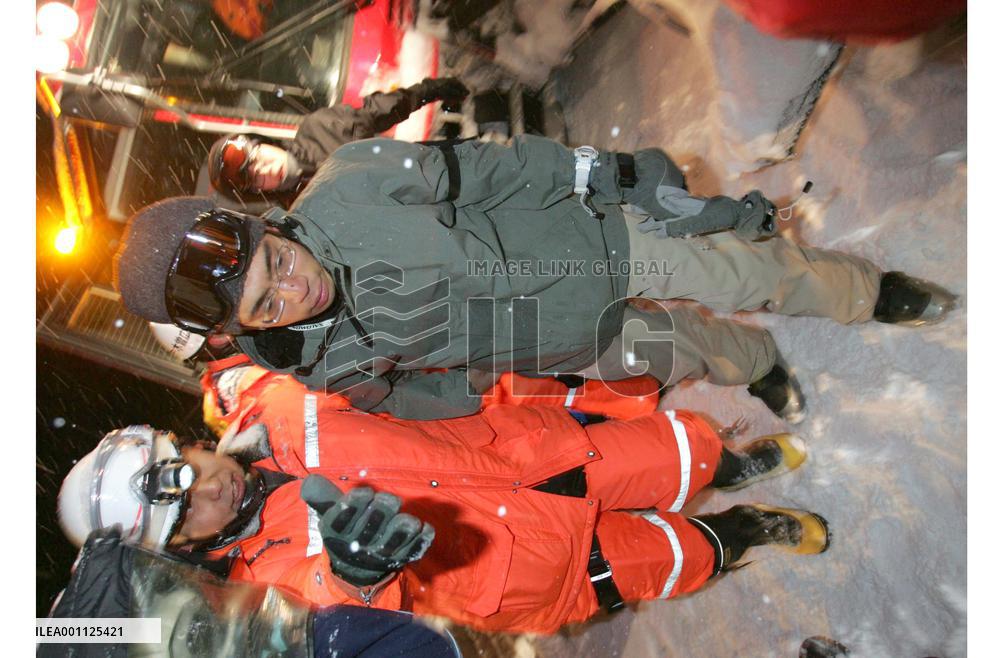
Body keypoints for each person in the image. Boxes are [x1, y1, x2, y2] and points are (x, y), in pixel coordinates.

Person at [113, 136, 955, 421]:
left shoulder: (355, 181)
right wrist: (465, 391)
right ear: (242, 333)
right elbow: (385, 395)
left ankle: (869, 294)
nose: (292, 288)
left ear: (267, 227)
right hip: (567, 342)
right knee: (687, 351)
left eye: (277, 261)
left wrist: (601, 172)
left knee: (746, 274)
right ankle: (761, 365)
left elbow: (495, 169)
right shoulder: (306, 365)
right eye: (267, 303)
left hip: (590, 245)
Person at [58, 383, 829, 635]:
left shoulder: (283, 404)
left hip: (534, 458)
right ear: (179, 549)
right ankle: (740, 532)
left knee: (672, 452)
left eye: (185, 472)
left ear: (186, 445)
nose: (207, 491)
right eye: (183, 513)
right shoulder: (263, 578)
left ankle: (732, 465)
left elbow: (294, 341)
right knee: (666, 559)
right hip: (513, 565)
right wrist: (358, 576)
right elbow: (335, 611)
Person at [42, 527, 461, 658]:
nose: (228, 635)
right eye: (194, 638)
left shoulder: (333, 638)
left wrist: (353, 581)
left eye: (208, 614)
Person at [204, 77, 470, 206]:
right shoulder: (301, 215)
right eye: (255, 178)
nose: (264, 169)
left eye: (256, 157)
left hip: (441, 169)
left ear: (262, 142)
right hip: (430, 215)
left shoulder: (319, 128)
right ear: (258, 191)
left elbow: (379, 110)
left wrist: (430, 90)